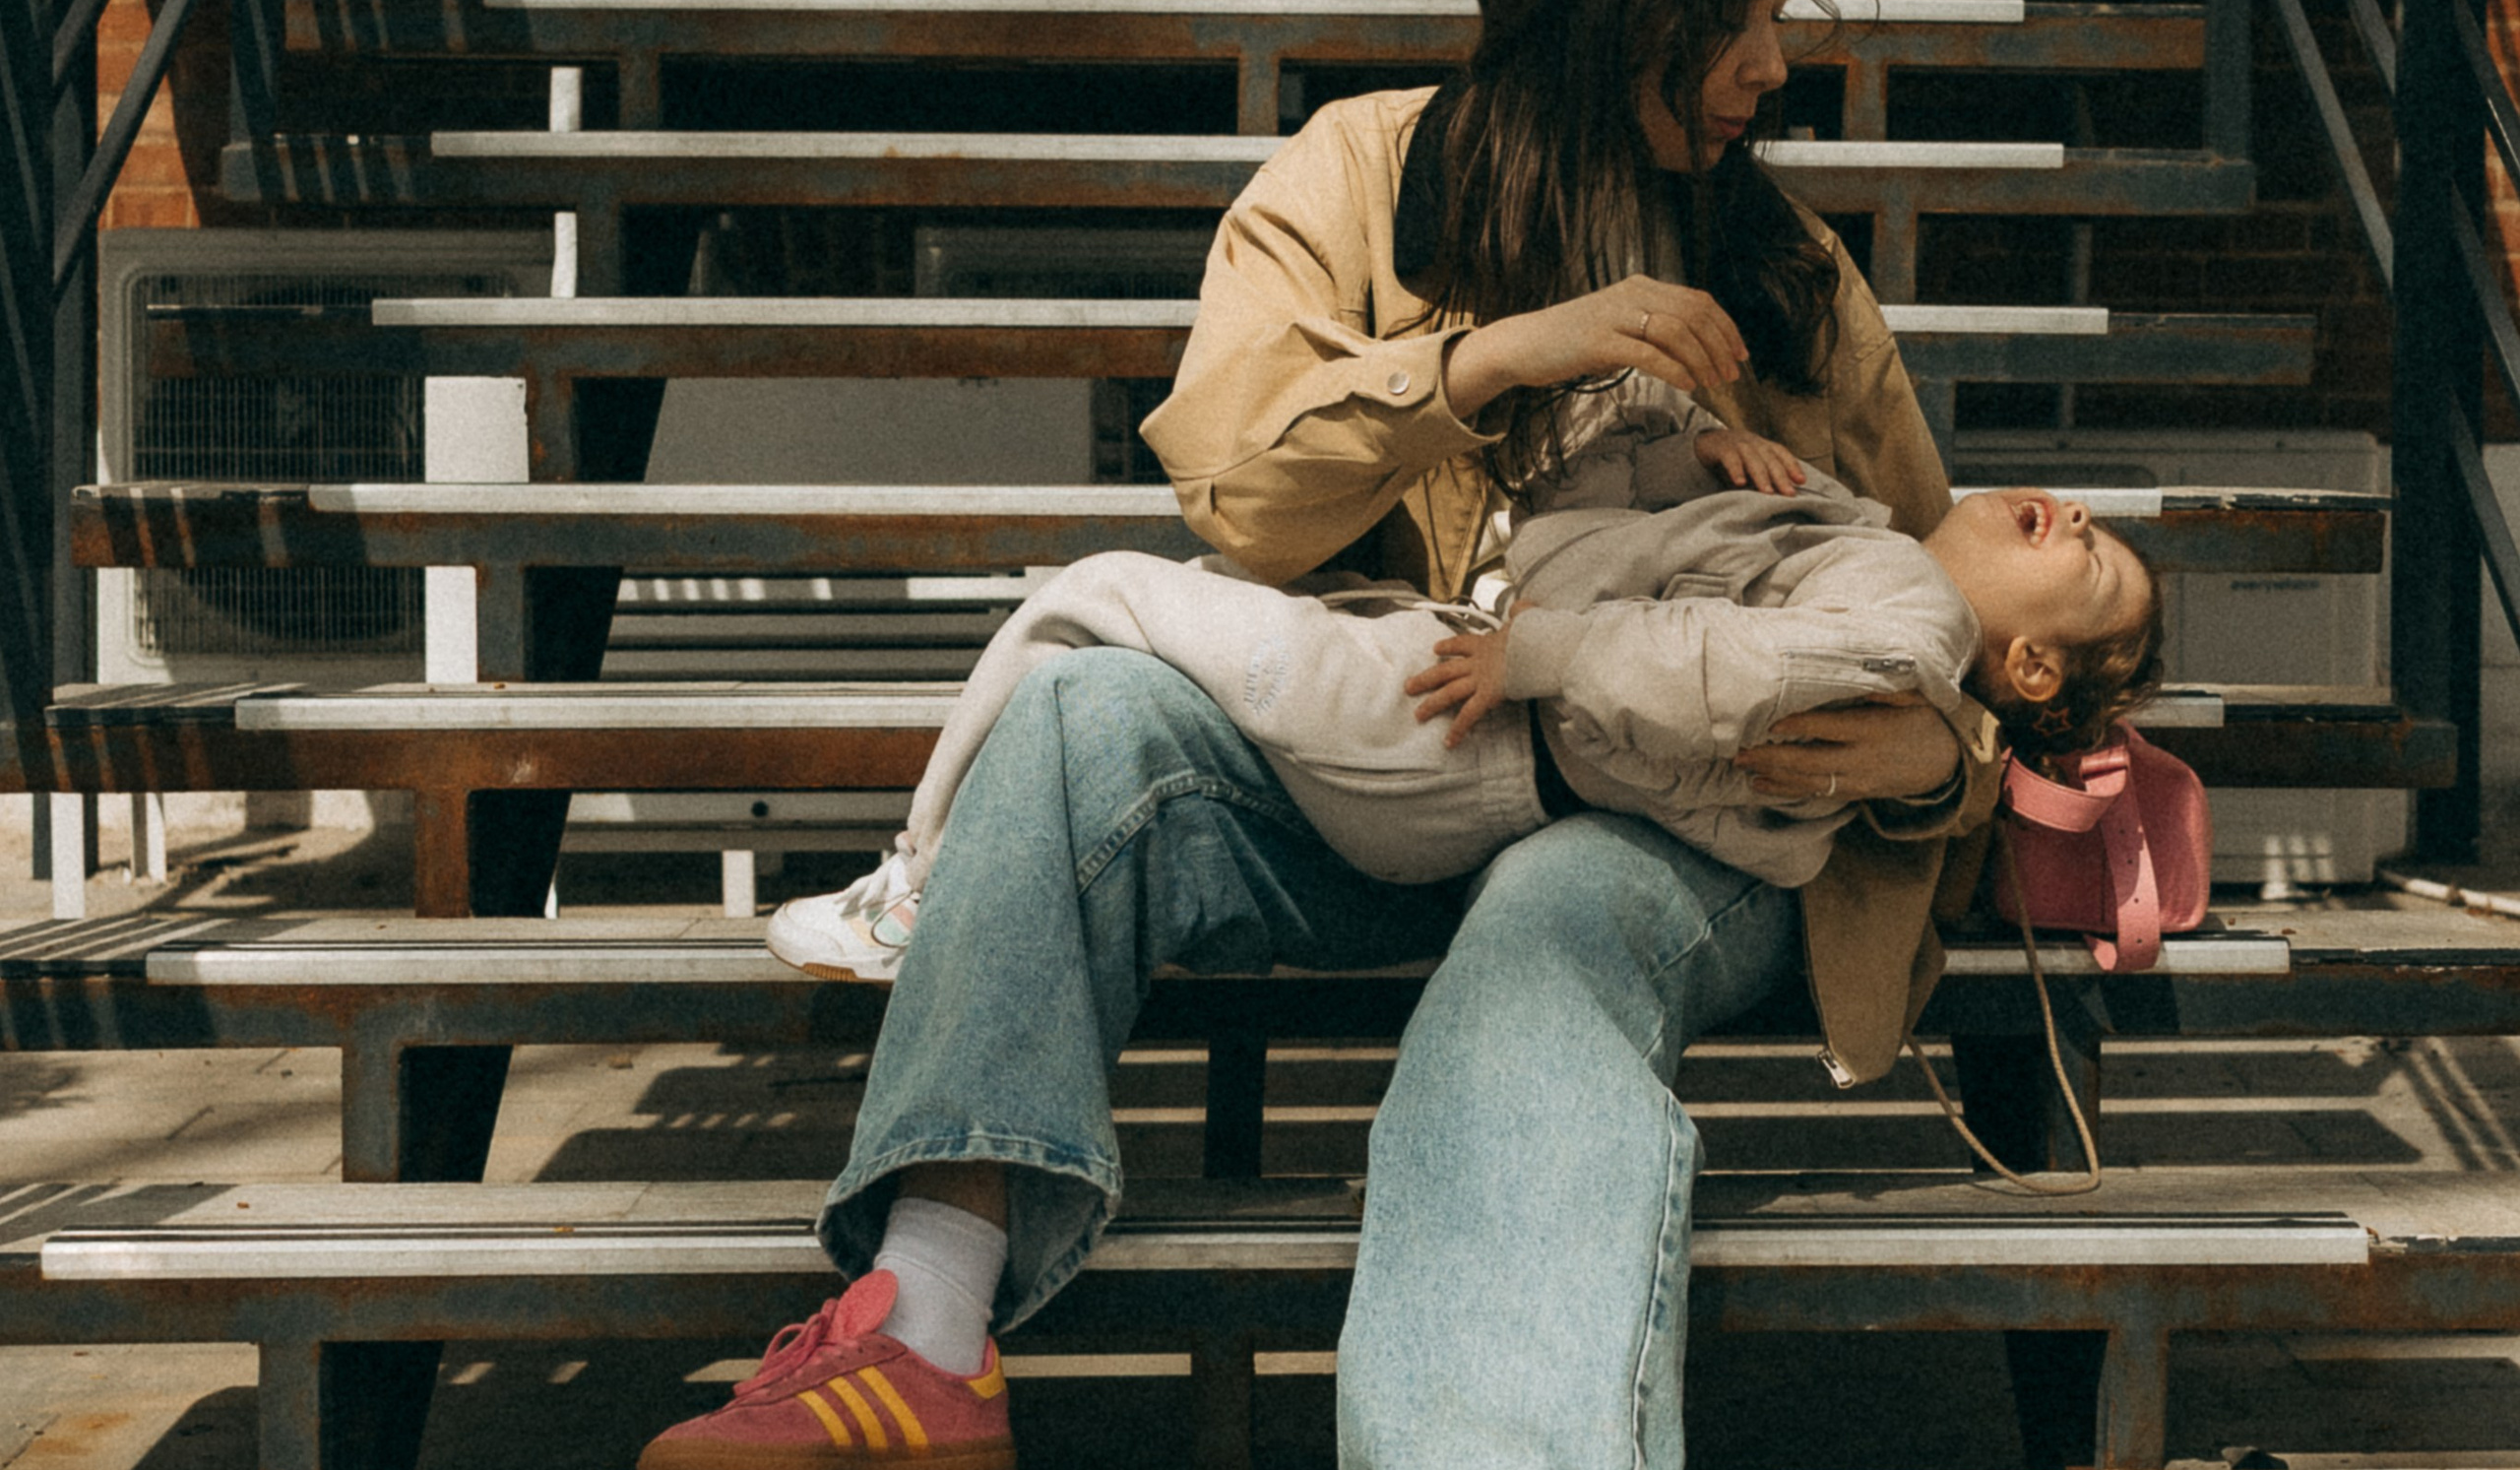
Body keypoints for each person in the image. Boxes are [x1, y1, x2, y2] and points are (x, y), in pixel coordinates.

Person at [636, 0, 2017, 1470]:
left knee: (1552, 913)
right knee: (1096, 700)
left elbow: (1928, 602)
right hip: (1372, 771)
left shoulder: (1784, 275)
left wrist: (1934, 774)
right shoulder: (1362, 176)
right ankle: (923, 1329)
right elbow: (1238, 502)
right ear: (1613, 7)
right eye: (1740, 22)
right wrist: (1490, 361)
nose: (1773, 68)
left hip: (1661, 817)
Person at [761, 414, 2162, 963]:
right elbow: (1606, 543)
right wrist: (1679, 437)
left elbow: (1732, 666)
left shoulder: (1908, 615)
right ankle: (924, 885)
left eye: (2096, 566)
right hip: (1457, 719)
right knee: (1121, 619)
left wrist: (1539, 650)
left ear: (2029, 665)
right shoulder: (1863, 543)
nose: (2081, 515)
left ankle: (914, 885)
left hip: (1450, 726)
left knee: (1091, 591)